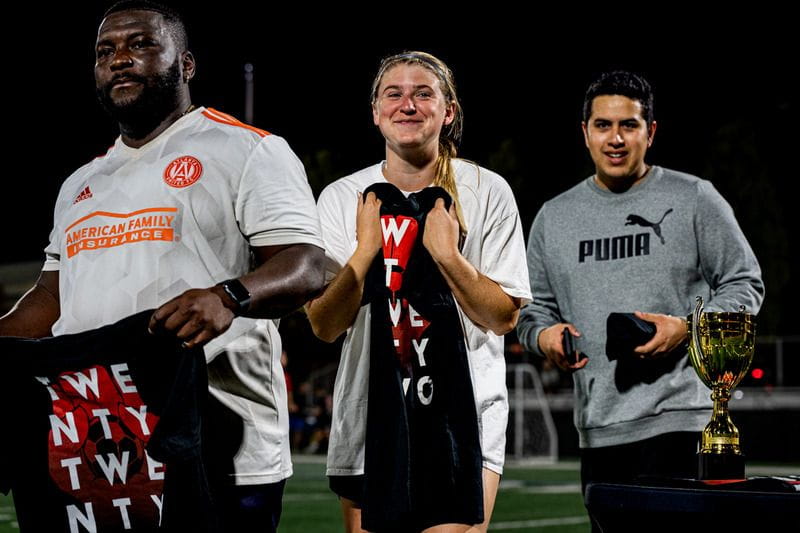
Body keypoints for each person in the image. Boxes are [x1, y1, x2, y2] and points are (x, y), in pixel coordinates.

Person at [0, 1, 325, 531]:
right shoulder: (80, 184)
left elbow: (310, 264)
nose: (120, 59)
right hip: (97, 447)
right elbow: (50, 299)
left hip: (223, 446)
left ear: (187, 65)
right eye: (106, 51)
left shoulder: (248, 149)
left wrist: (229, 296)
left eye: (141, 44)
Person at [516, 70, 764, 527]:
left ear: (650, 132)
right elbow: (532, 310)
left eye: (628, 125)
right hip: (598, 431)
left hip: (685, 424)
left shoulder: (693, 197)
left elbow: (745, 282)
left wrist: (688, 329)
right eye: (603, 125)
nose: (616, 138)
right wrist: (544, 336)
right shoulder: (554, 217)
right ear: (585, 133)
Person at [306, 51, 531, 532]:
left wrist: (449, 257)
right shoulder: (342, 196)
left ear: (448, 111)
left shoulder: (486, 190)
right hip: (370, 419)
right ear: (375, 111)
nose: (407, 104)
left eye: (423, 93)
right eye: (395, 93)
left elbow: (503, 317)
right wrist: (365, 252)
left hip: (462, 419)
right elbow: (324, 325)